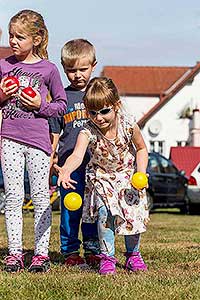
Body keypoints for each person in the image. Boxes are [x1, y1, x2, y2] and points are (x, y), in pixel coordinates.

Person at [55, 77, 149, 275]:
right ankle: (107, 257)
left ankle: (133, 255)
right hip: (102, 178)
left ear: (116, 105)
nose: (99, 118)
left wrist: (141, 172)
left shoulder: (129, 124)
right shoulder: (87, 131)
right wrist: (66, 169)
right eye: (93, 112)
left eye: (104, 111)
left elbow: (141, 149)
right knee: (105, 216)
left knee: (131, 215)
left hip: (127, 176)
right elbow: (77, 155)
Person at [0, 9, 67, 273]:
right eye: (10, 36)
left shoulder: (48, 69)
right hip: (9, 139)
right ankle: (15, 253)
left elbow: (61, 106)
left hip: (39, 142)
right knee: (13, 197)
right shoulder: (4, 65)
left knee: (40, 197)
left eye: (19, 37)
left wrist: (41, 104)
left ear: (36, 39)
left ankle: (41, 254)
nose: (13, 41)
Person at [49, 39, 100, 267]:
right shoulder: (62, 98)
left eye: (83, 69)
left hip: (96, 165)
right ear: (63, 68)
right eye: (71, 70)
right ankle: (70, 251)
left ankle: (93, 249)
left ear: (93, 65)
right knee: (71, 208)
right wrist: (52, 158)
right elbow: (54, 131)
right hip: (70, 169)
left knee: (93, 208)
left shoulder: (98, 97)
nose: (77, 75)